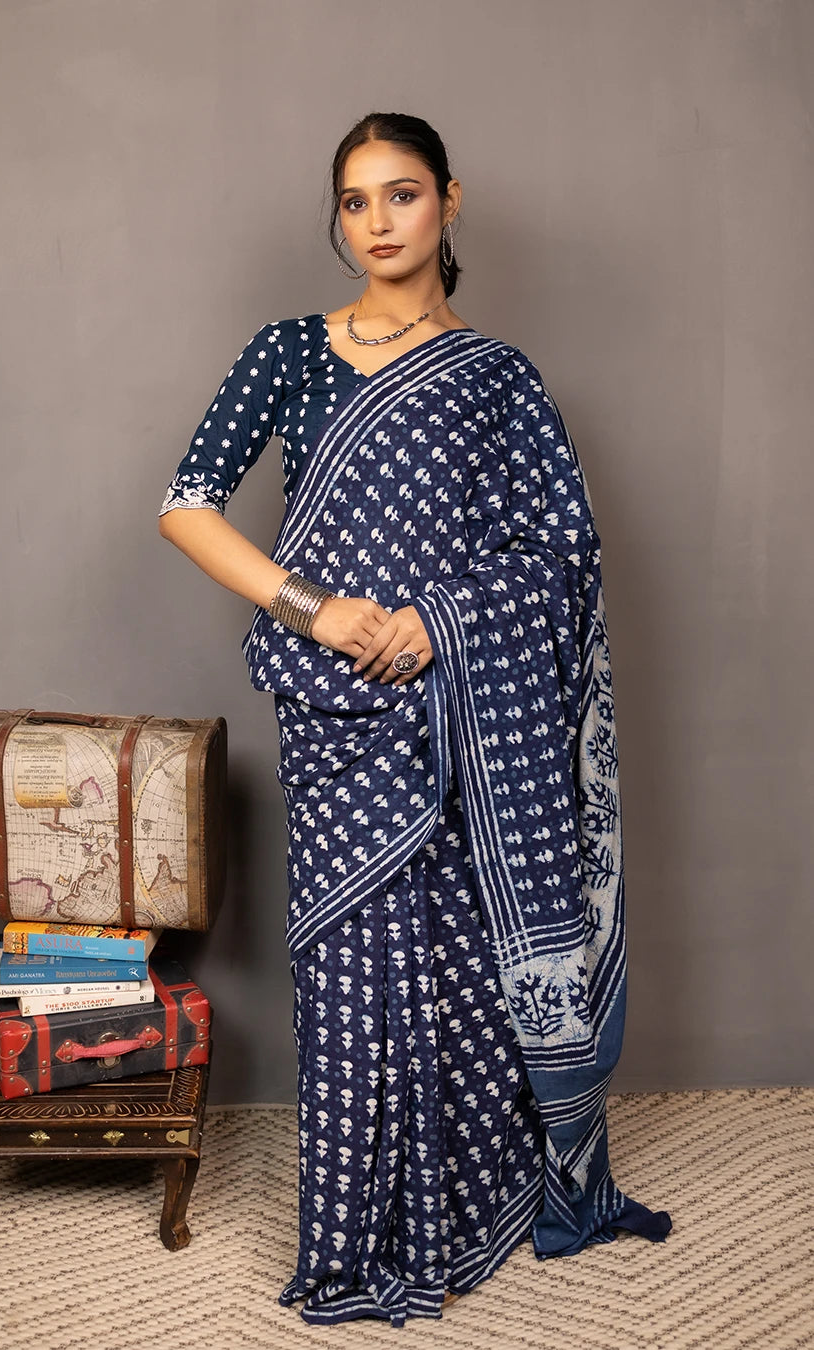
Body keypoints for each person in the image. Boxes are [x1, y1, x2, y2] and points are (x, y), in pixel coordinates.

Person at [158, 111, 671, 1328]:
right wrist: (318, 608)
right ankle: (349, 1240)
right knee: (347, 972)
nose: (377, 223)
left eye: (400, 195)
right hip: (337, 710)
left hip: (463, 715)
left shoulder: (499, 381)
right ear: (338, 219)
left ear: (449, 199)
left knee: (459, 965)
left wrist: (442, 620)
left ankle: (466, 1212)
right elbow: (186, 504)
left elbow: (560, 559)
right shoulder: (288, 350)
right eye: (353, 202)